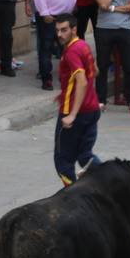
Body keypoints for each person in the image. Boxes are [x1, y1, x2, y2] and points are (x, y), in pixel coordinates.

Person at [52, 15, 102, 186]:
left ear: (74, 29)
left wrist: (72, 114)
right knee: (85, 156)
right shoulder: (84, 46)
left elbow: (81, 80)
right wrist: (90, 97)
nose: (59, 34)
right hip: (92, 110)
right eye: (57, 30)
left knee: (63, 162)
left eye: (64, 30)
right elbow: (94, 71)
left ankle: (72, 197)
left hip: (75, 114)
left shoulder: (72, 51)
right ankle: (110, 179)